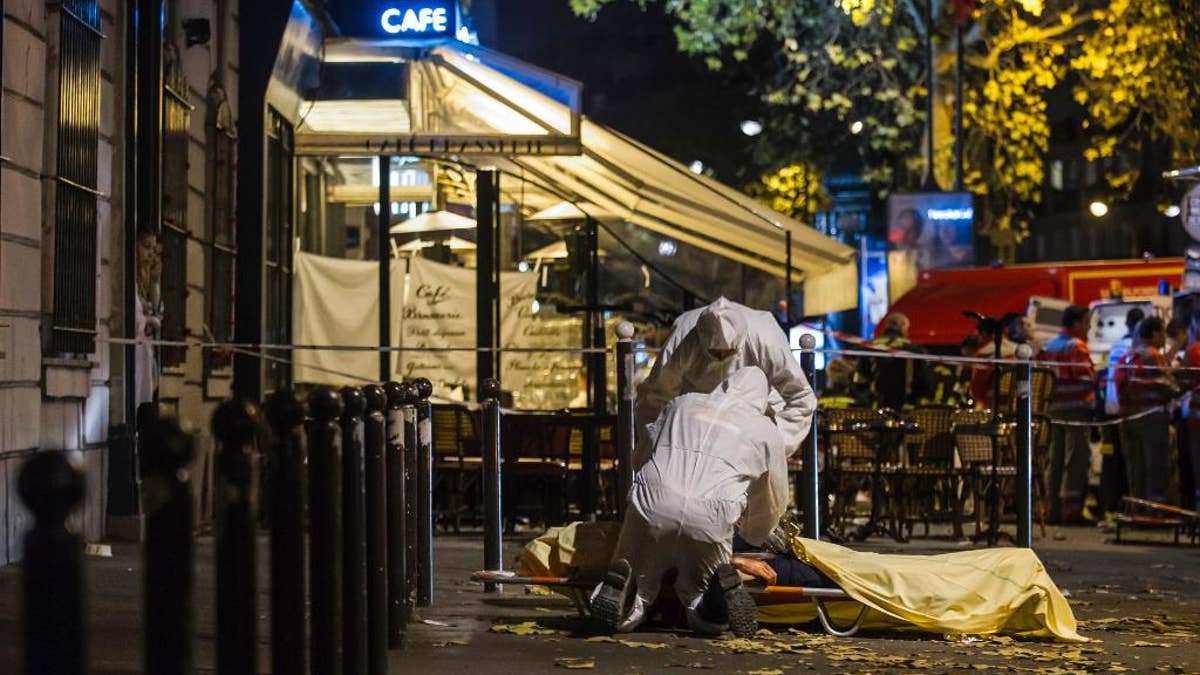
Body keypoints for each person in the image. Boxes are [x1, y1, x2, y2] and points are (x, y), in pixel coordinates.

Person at [593, 367, 790, 637]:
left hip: (652, 501)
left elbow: (643, 452)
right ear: (762, 400)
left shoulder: (681, 403)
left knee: (638, 573)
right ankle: (716, 600)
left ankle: (626, 592)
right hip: (712, 515)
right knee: (701, 606)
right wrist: (755, 532)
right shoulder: (765, 430)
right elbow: (773, 496)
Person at [635, 297, 816, 455]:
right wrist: (655, 446)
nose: (721, 359)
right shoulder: (683, 336)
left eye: (727, 353)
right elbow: (656, 396)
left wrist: (774, 443)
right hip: (695, 430)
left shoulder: (765, 335)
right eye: (714, 353)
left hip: (756, 427)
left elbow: (801, 397)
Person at [1037, 305, 1095, 523]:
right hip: (1075, 409)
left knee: (1055, 461)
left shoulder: (1049, 345)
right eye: (1086, 322)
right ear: (1076, 323)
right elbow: (1085, 378)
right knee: (1076, 459)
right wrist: (1096, 376)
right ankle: (1070, 512)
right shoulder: (1076, 346)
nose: (1089, 327)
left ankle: (1051, 511)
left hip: (1053, 410)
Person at [1116, 317, 1178, 503]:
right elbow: (1168, 387)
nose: (1164, 338)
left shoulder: (1127, 356)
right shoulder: (1153, 355)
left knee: (1136, 467)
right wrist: (1177, 384)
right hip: (1152, 418)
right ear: (1155, 334)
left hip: (1128, 418)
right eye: (1163, 333)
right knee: (1156, 464)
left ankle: (1138, 508)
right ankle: (1154, 509)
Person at [857, 313, 930, 411]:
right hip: (905, 405)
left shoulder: (871, 346)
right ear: (903, 328)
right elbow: (923, 379)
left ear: (887, 325)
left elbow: (861, 374)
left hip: (878, 404)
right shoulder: (914, 350)